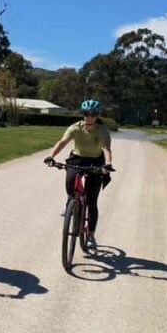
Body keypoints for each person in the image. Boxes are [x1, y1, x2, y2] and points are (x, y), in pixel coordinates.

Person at [44, 99, 114, 248]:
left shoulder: (102, 130)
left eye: (93, 114)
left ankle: (91, 235)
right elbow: (62, 142)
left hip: (96, 161)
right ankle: (70, 201)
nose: (90, 117)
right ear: (82, 114)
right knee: (70, 179)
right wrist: (51, 156)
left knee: (91, 201)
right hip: (77, 158)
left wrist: (107, 164)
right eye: (86, 114)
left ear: (97, 115)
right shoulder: (75, 127)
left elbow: (106, 148)